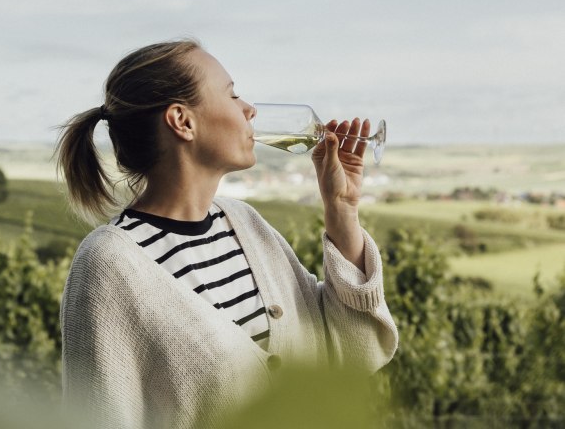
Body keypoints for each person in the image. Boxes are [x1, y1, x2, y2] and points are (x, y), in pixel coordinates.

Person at [56, 39, 398, 429]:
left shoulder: (246, 224)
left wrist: (342, 209)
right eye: (232, 94)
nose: (249, 109)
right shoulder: (108, 266)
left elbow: (356, 353)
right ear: (182, 121)